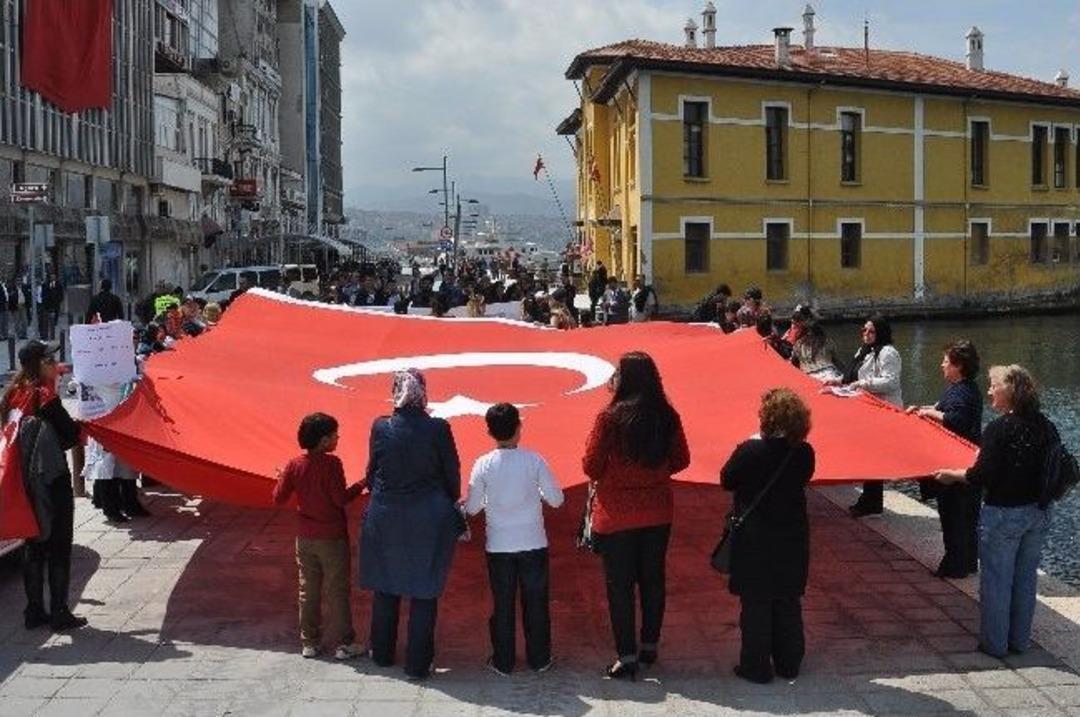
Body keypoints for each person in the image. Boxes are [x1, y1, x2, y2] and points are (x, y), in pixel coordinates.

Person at [583, 352, 691, 680]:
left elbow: (590, 465)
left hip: (616, 514)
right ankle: (649, 646)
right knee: (653, 580)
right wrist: (655, 474)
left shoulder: (609, 419)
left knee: (620, 586)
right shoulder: (667, 416)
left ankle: (626, 656)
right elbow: (682, 459)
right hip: (658, 510)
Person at [934, 365, 1054, 657]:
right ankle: (1019, 642)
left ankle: (994, 645)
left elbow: (981, 476)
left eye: (993, 385)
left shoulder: (999, 429)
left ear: (1009, 390)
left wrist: (951, 474)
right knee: (1025, 581)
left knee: (997, 583)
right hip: (1039, 513)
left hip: (1003, 515)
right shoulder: (1045, 425)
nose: (988, 391)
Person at [359, 369, 462, 680]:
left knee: (386, 586)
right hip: (428, 518)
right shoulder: (438, 428)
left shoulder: (381, 426)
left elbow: (371, 472)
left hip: (385, 515)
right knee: (424, 590)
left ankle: (382, 655)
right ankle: (418, 664)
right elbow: (452, 476)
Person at [721, 388, 815, 684]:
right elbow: (805, 477)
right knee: (788, 600)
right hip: (792, 536)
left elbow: (727, 480)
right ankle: (789, 663)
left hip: (756, 538)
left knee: (756, 604)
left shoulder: (751, 450)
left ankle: (756, 666)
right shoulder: (804, 452)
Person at [463, 404, 564, 675]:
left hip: (499, 546)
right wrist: (535, 494)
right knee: (536, 603)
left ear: (489, 432)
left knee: (503, 604)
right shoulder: (535, 460)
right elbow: (556, 500)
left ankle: (503, 661)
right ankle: (540, 659)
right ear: (519, 428)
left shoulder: (482, 464)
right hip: (533, 543)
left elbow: (471, 508)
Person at [1, 340, 85, 631]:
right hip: (51, 480)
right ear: (40, 364)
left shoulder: (12, 394)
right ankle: (60, 612)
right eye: (51, 359)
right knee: (59, 544)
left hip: (23, 480)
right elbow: (71, 434)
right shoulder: (44, 395)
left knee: (34, 545)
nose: (56, 364)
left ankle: (33, 611)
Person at [273, 413, 364, 660]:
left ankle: (310, 642)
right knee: (337, 591)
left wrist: (283, 477)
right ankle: (345, 644)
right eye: (335, 434)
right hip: (332, 537)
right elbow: (340, 500)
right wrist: (362, 484)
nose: (338, 438)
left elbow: (278, 497)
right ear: (324, 440)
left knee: (308, 590)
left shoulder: (294, 464)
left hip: (305, 537)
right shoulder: (332, 464)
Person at [908, 340, 983, 578]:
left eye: (945, 361)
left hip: (958, 465)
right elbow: (945, 407)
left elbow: (956, 420)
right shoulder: (963, 388)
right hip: (963, 462)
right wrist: (923, 408)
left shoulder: (964, 392)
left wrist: (929, 413)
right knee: (965, 517)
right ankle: (968, 561)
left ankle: (956, 565)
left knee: (955, 516)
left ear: (958, 365)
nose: (941, 365)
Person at [825, 315, 902, 518]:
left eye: (871, 331)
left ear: (881, 333)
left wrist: (864, 384)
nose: (866, 334)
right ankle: (869, 499)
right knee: (869, 454)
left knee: (875, 456)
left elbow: (891, 382)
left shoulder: (888, 353)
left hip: (882, 410)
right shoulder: (864, 350)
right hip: (866, 411)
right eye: (864, 331)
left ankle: (872, 501)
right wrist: (836, 381)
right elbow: (852, 374)